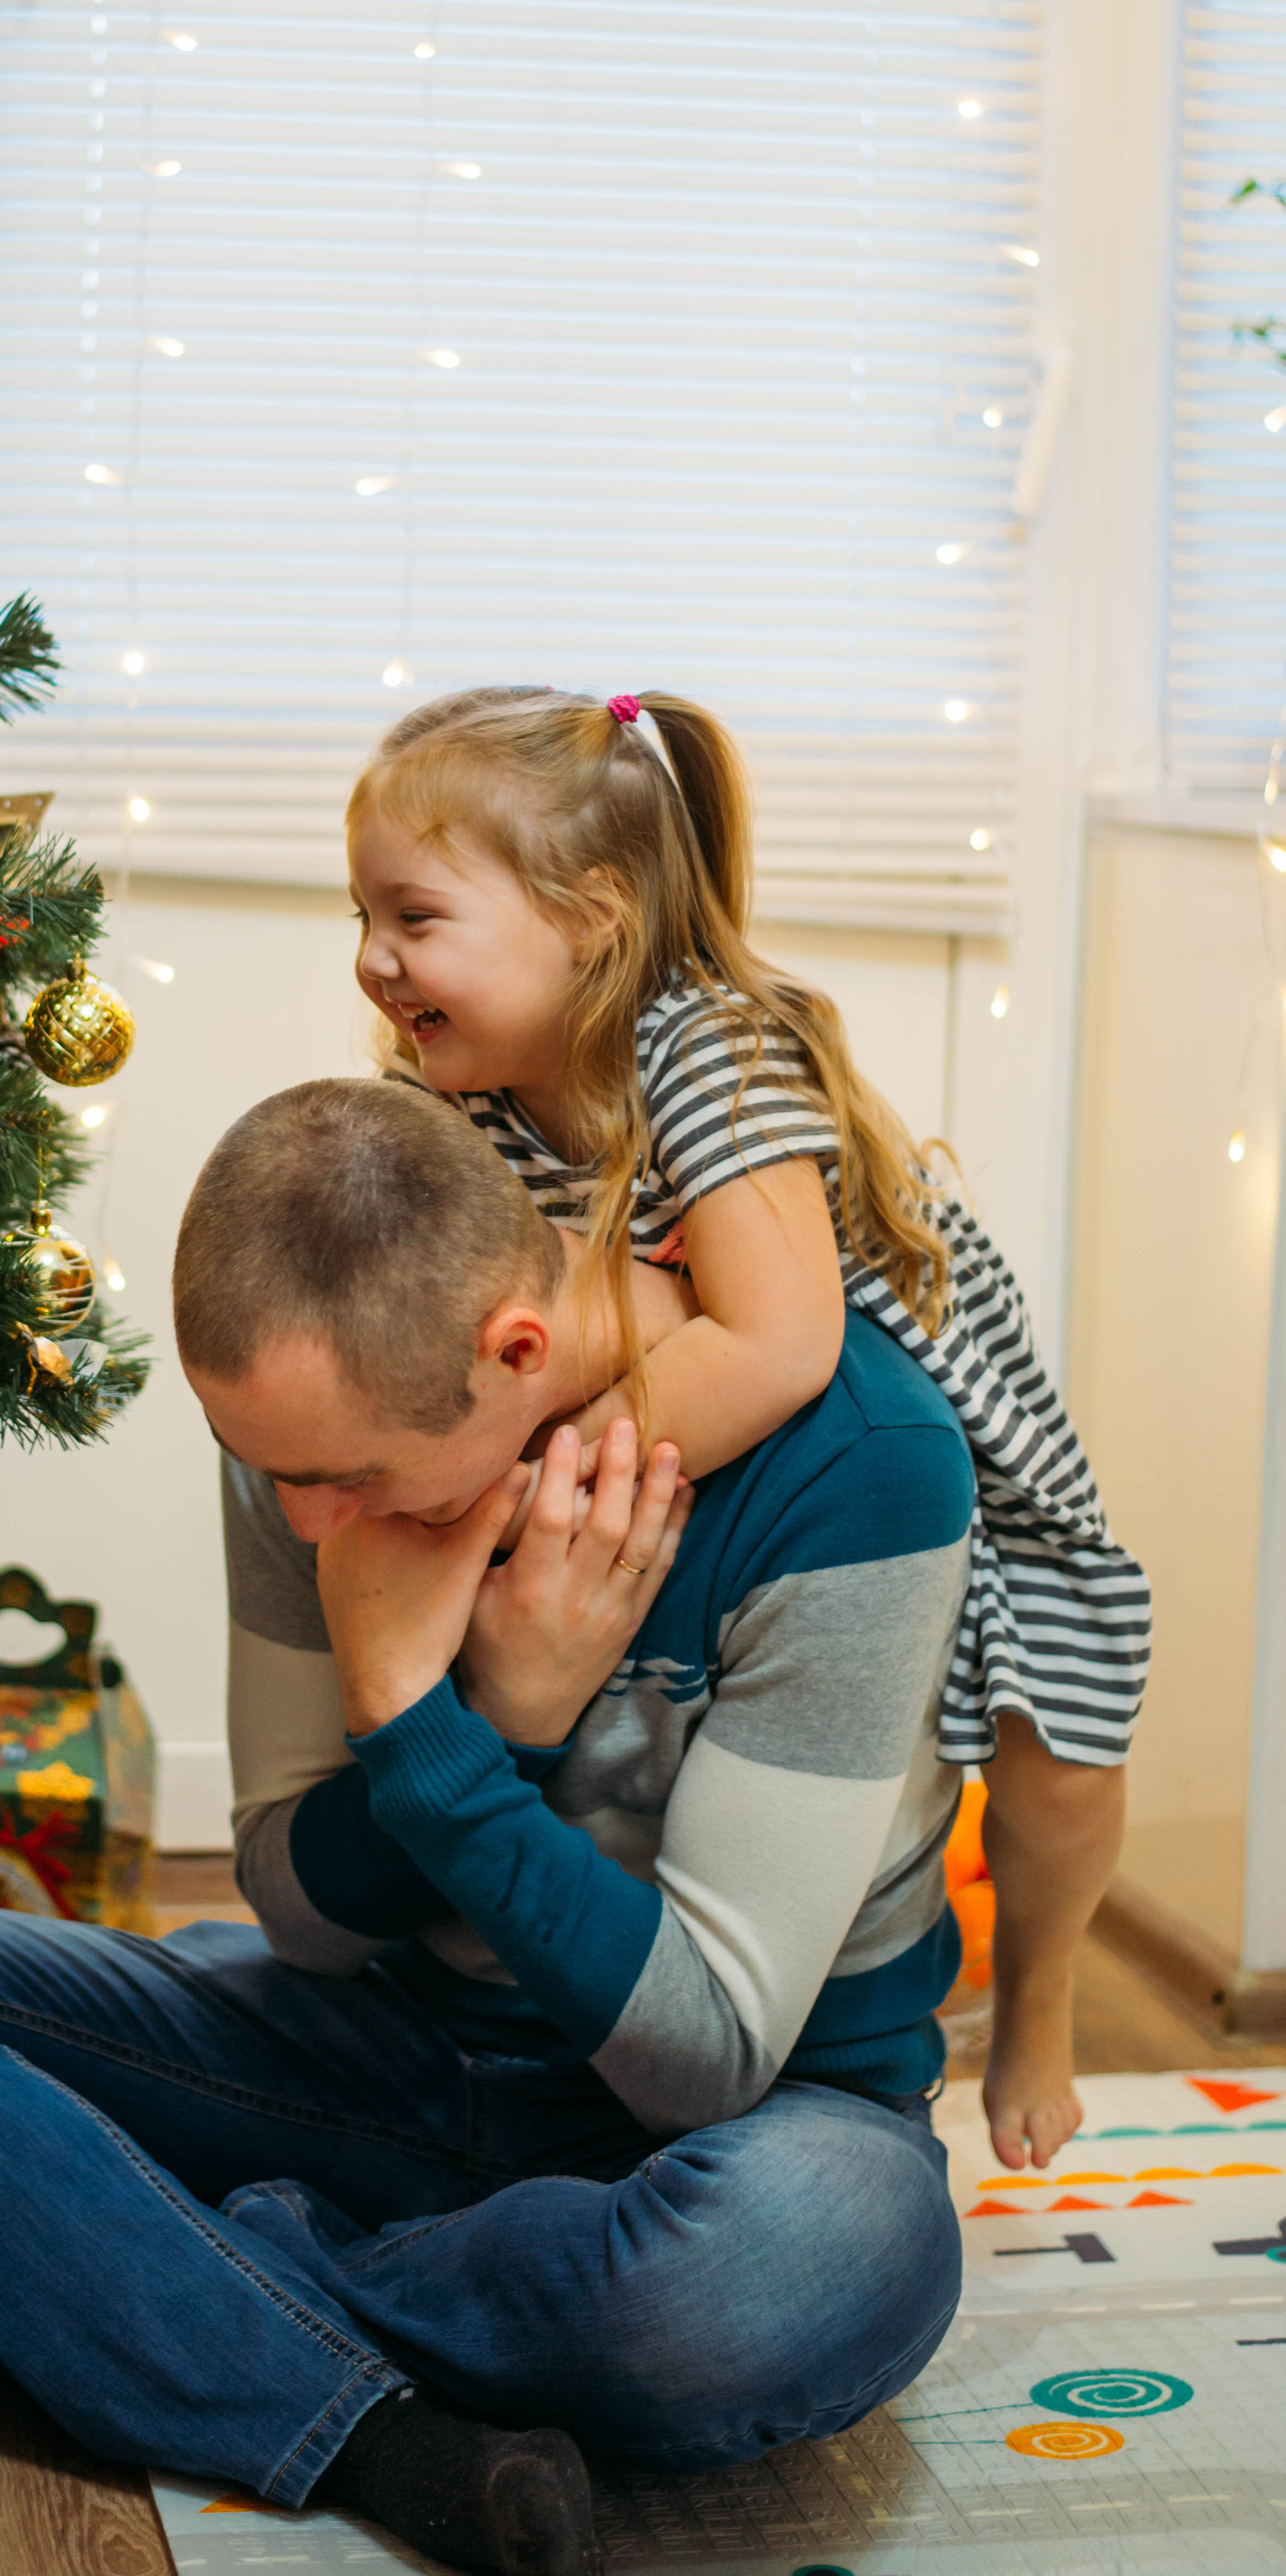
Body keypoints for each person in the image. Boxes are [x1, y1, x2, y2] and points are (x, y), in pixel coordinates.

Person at [0, 1077, 970, 2576]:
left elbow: (703, 2056)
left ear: (515, 1354)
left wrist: (431, 1738)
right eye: (270, 1468)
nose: (302, 1521)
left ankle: (121, 2260)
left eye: (342, 1479)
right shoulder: (302, 1439)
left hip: (755, 2129)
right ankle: (369, 2426)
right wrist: (495, 1712)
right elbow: (299, 1913)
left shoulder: (859, 1463)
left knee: (820, 2262)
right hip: (391, 2062)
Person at [345, 685, 1143, 2173]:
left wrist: (549, 1481)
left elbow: (778, 1344)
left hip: (944, 1436)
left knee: (1058, 1741)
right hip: (705, 1408)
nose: (374, 959)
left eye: (415, 918)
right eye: (365, 916)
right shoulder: (461, 1098)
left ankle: (1040, 1998)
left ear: (589, 919)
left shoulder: (705, 1049)